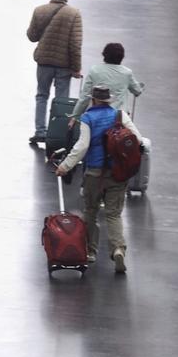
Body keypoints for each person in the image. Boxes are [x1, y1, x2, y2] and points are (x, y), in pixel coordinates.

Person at [56, 86, 142, 272]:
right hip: (118, 173)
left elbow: (82, 146)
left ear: (93, 100)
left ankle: (90, 251)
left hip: (94, 173)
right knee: (113, 214)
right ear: (108, 100)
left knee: (91, 211)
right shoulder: (119, 115)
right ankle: (118, 249)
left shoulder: (87, 118)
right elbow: (138, 139)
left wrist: (65, 166)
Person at [26, 0, 82, 146]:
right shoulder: (74, 14)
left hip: (44, 62)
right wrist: (76, 67)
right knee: (61, 100)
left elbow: (32, 36)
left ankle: (40, 131)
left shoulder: (40, 10)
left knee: (42, 95)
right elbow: (75, 44)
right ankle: (57, 133)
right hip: (64, 64)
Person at [71, 42, 144, 120]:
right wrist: (140, 87)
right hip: (119, 118)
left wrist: (75, 116)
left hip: (96, 115)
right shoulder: (127, 73)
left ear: (104, 55)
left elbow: (84, 97)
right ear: (122, 57)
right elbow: (137, 91)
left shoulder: (94, 70)